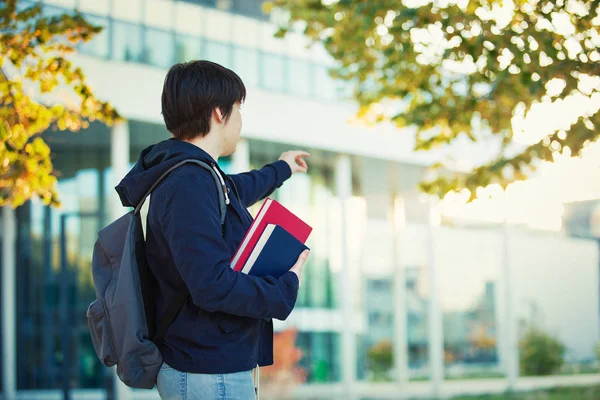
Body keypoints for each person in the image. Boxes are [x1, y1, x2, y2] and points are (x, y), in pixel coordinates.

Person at [115, 60, 311, 399]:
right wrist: (284, 288)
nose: (240, 120)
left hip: (211, 368)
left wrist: (282, 168)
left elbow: (238, 190)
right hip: (207, 372)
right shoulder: (189, 182)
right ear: (220, 113)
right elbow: (211, 285)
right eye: (238, 109)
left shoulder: (199, 176)